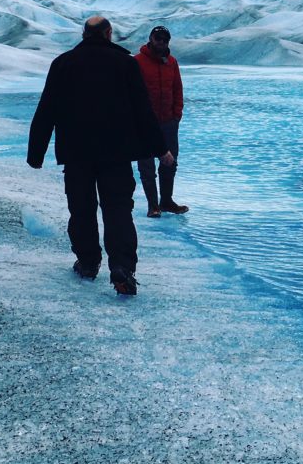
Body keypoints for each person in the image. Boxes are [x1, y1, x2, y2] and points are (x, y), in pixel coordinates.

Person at [27, 15, 173, 296]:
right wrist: (160, 148)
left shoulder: (63, 63)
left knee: (81, 210)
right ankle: (122, 267)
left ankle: (88, 262)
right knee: (118, 210)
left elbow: (46, 110)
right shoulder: (126, 64)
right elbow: (144, 111)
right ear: (108, 34)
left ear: (84, 34)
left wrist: (36, 153)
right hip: (116, 153)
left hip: (76, 153)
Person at [134, 24, 189, 218]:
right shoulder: (138, 61)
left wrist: (176, 115)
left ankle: (166, 201)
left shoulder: (171, 62)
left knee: (170, 163)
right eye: (158, 38)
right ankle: (153, 205)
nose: (161, 42)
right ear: (151, 39)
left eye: (165, 39)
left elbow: (177, 89)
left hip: (168, 122)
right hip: (144, 123)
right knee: (147, 165)